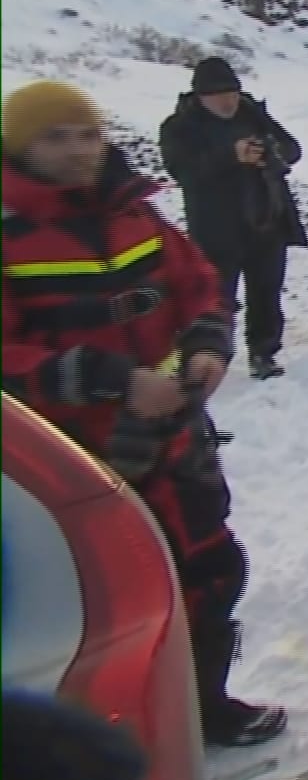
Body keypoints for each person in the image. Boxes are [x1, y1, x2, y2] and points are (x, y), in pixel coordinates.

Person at [2, 79, 289, 745]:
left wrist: (209, 346)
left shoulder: (135, 214)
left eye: (88, 134)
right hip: (71, 467)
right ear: (19, 147)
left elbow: (198, 287)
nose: (78, 150)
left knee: (211, 573)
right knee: (101, 606)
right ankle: (108, 738)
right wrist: (111, 380)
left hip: (173, 438)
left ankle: (200, 709)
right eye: (56, 137)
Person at [159, 56, 308, 380]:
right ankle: (205, 358)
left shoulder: (252, 113)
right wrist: (231, 156)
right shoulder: (180, 126)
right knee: (214, 297)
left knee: (266, 292)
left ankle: (263, 353)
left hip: (266, 220)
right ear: (200, 96)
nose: (228, 100)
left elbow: (293, 148)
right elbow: (182, 171)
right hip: (216, 230)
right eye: (219, 94)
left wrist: (271, 153)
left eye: (233, 92)